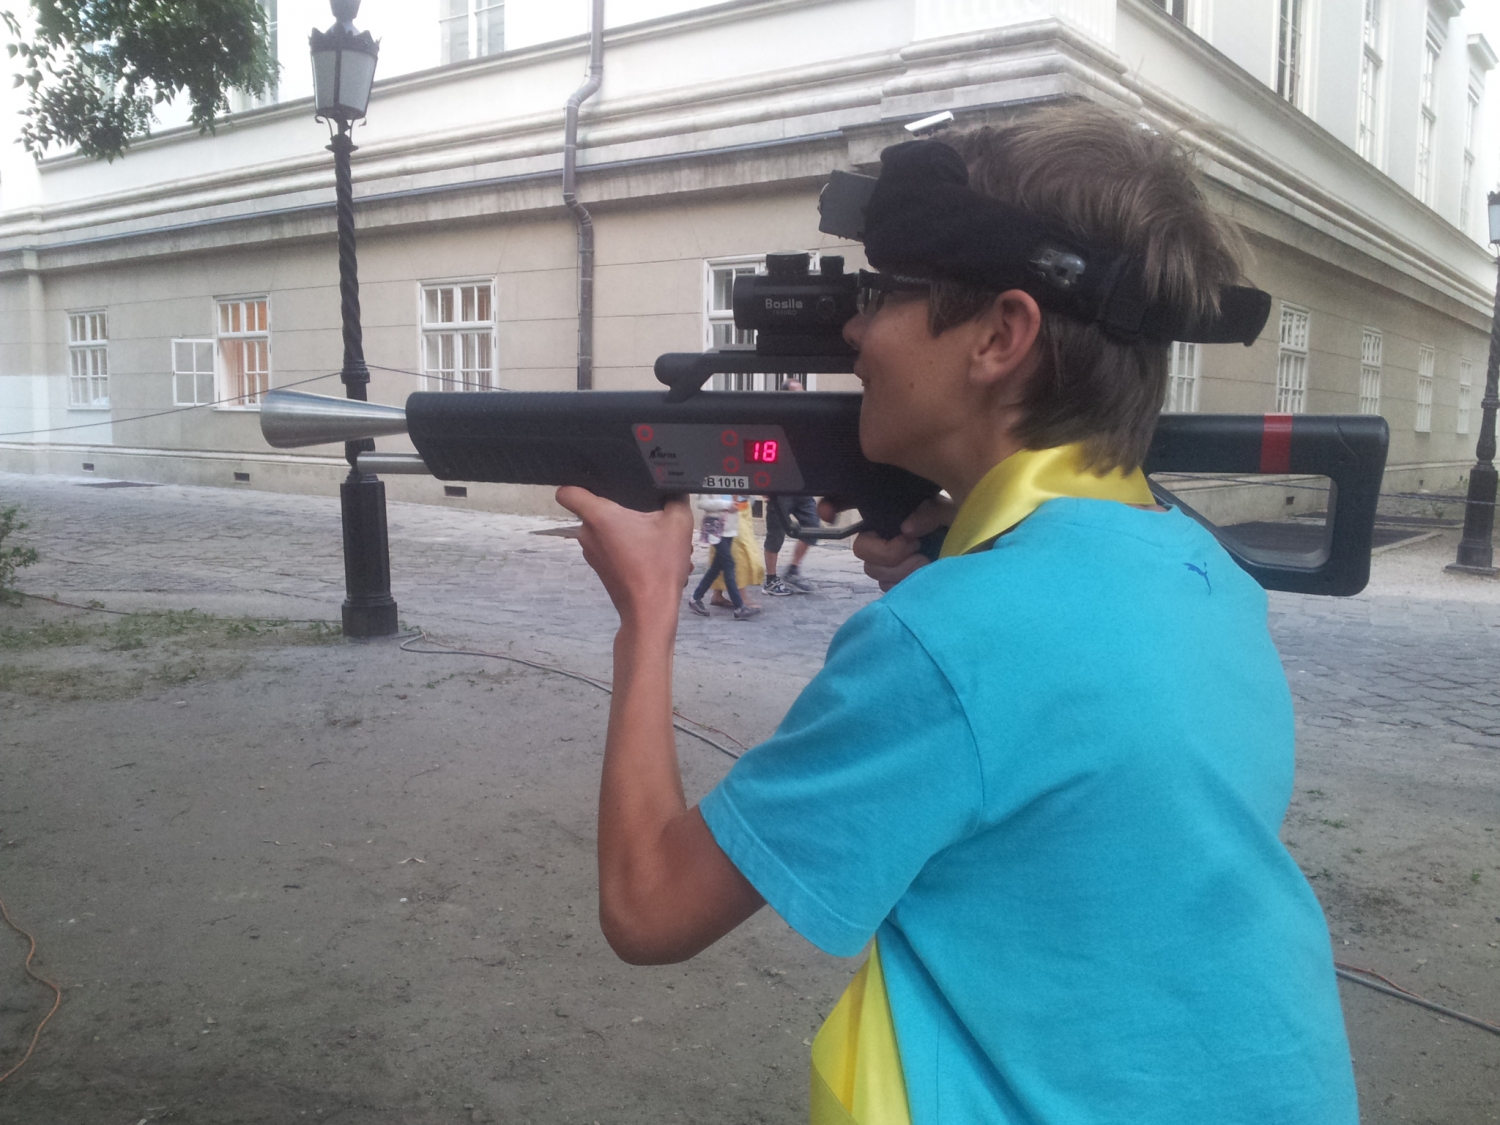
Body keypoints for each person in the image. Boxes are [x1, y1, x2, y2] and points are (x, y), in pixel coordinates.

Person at [556, 104, 1356, 1125]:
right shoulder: (1205, 570)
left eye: (887, 293)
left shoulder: (952, 641)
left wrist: (647, 611)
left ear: (1001, 335)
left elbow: (649, 907)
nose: (854, 329)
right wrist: (967, 567)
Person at [763, 379, 820, 596]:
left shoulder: (806, 421)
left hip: (802, 487)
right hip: (779, 488)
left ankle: (793, 570)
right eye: (797, 393)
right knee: (776, 534)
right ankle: (770, 580)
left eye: (804, 392)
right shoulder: (775, 420)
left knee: (813, 526)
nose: (802, 397)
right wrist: (764, 485)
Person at [688, 494, 760, 621]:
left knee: (716, 567)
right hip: (715, 528)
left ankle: (695, 598)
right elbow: (702, 503)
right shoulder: (710, 484)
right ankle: (739, 607)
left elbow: (745, 500)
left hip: (730, 529)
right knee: (729, 564)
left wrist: (744, 499)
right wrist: (727, 505)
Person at [711, 497, 765, 608]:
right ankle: (741, 597)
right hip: (728, 507)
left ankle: (717, 594)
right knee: (739, 552)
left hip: (742, 506)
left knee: (724, 551)